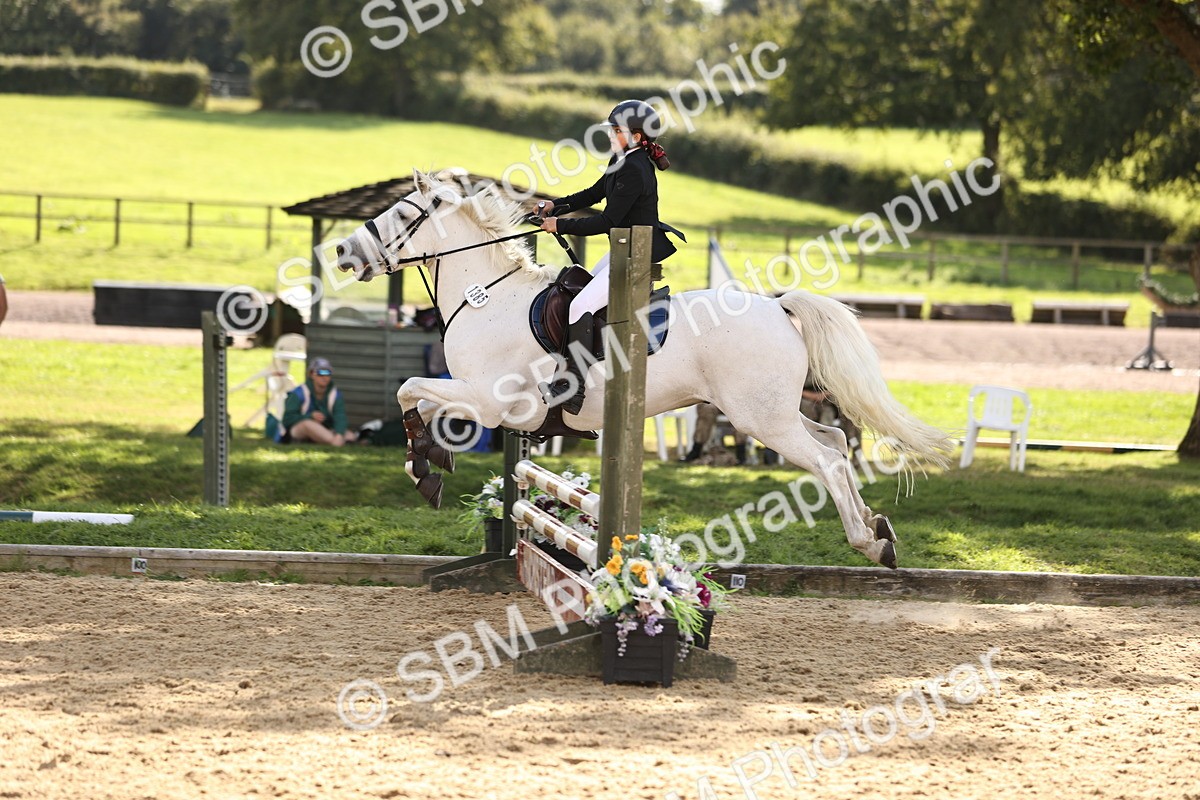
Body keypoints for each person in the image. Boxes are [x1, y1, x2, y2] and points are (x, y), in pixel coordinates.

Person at [535, 99, 684, 415]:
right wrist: (555, 205)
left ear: (637, 136)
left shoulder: (635, 169)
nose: (611, 135)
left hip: (635, 256)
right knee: (583, 292)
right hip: (622, 249)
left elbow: (606, 221)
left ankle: (572, 388)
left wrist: (559, 225)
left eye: (617, 130)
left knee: (580, 306)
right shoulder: (622, 159)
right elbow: (593, 194)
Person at [281, 357, 356, 446]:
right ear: (312, 374)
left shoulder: (335, 394)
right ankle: (334, 442)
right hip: (298, 429)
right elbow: (287, 419)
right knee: (308, 424)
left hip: (325, 428)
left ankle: (332, 440)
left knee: (350, 436)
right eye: (320, 373)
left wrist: (339, 434)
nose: (325, 377)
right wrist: (310, 416)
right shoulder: (298, 393)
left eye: (328, 373)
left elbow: (340, 416)